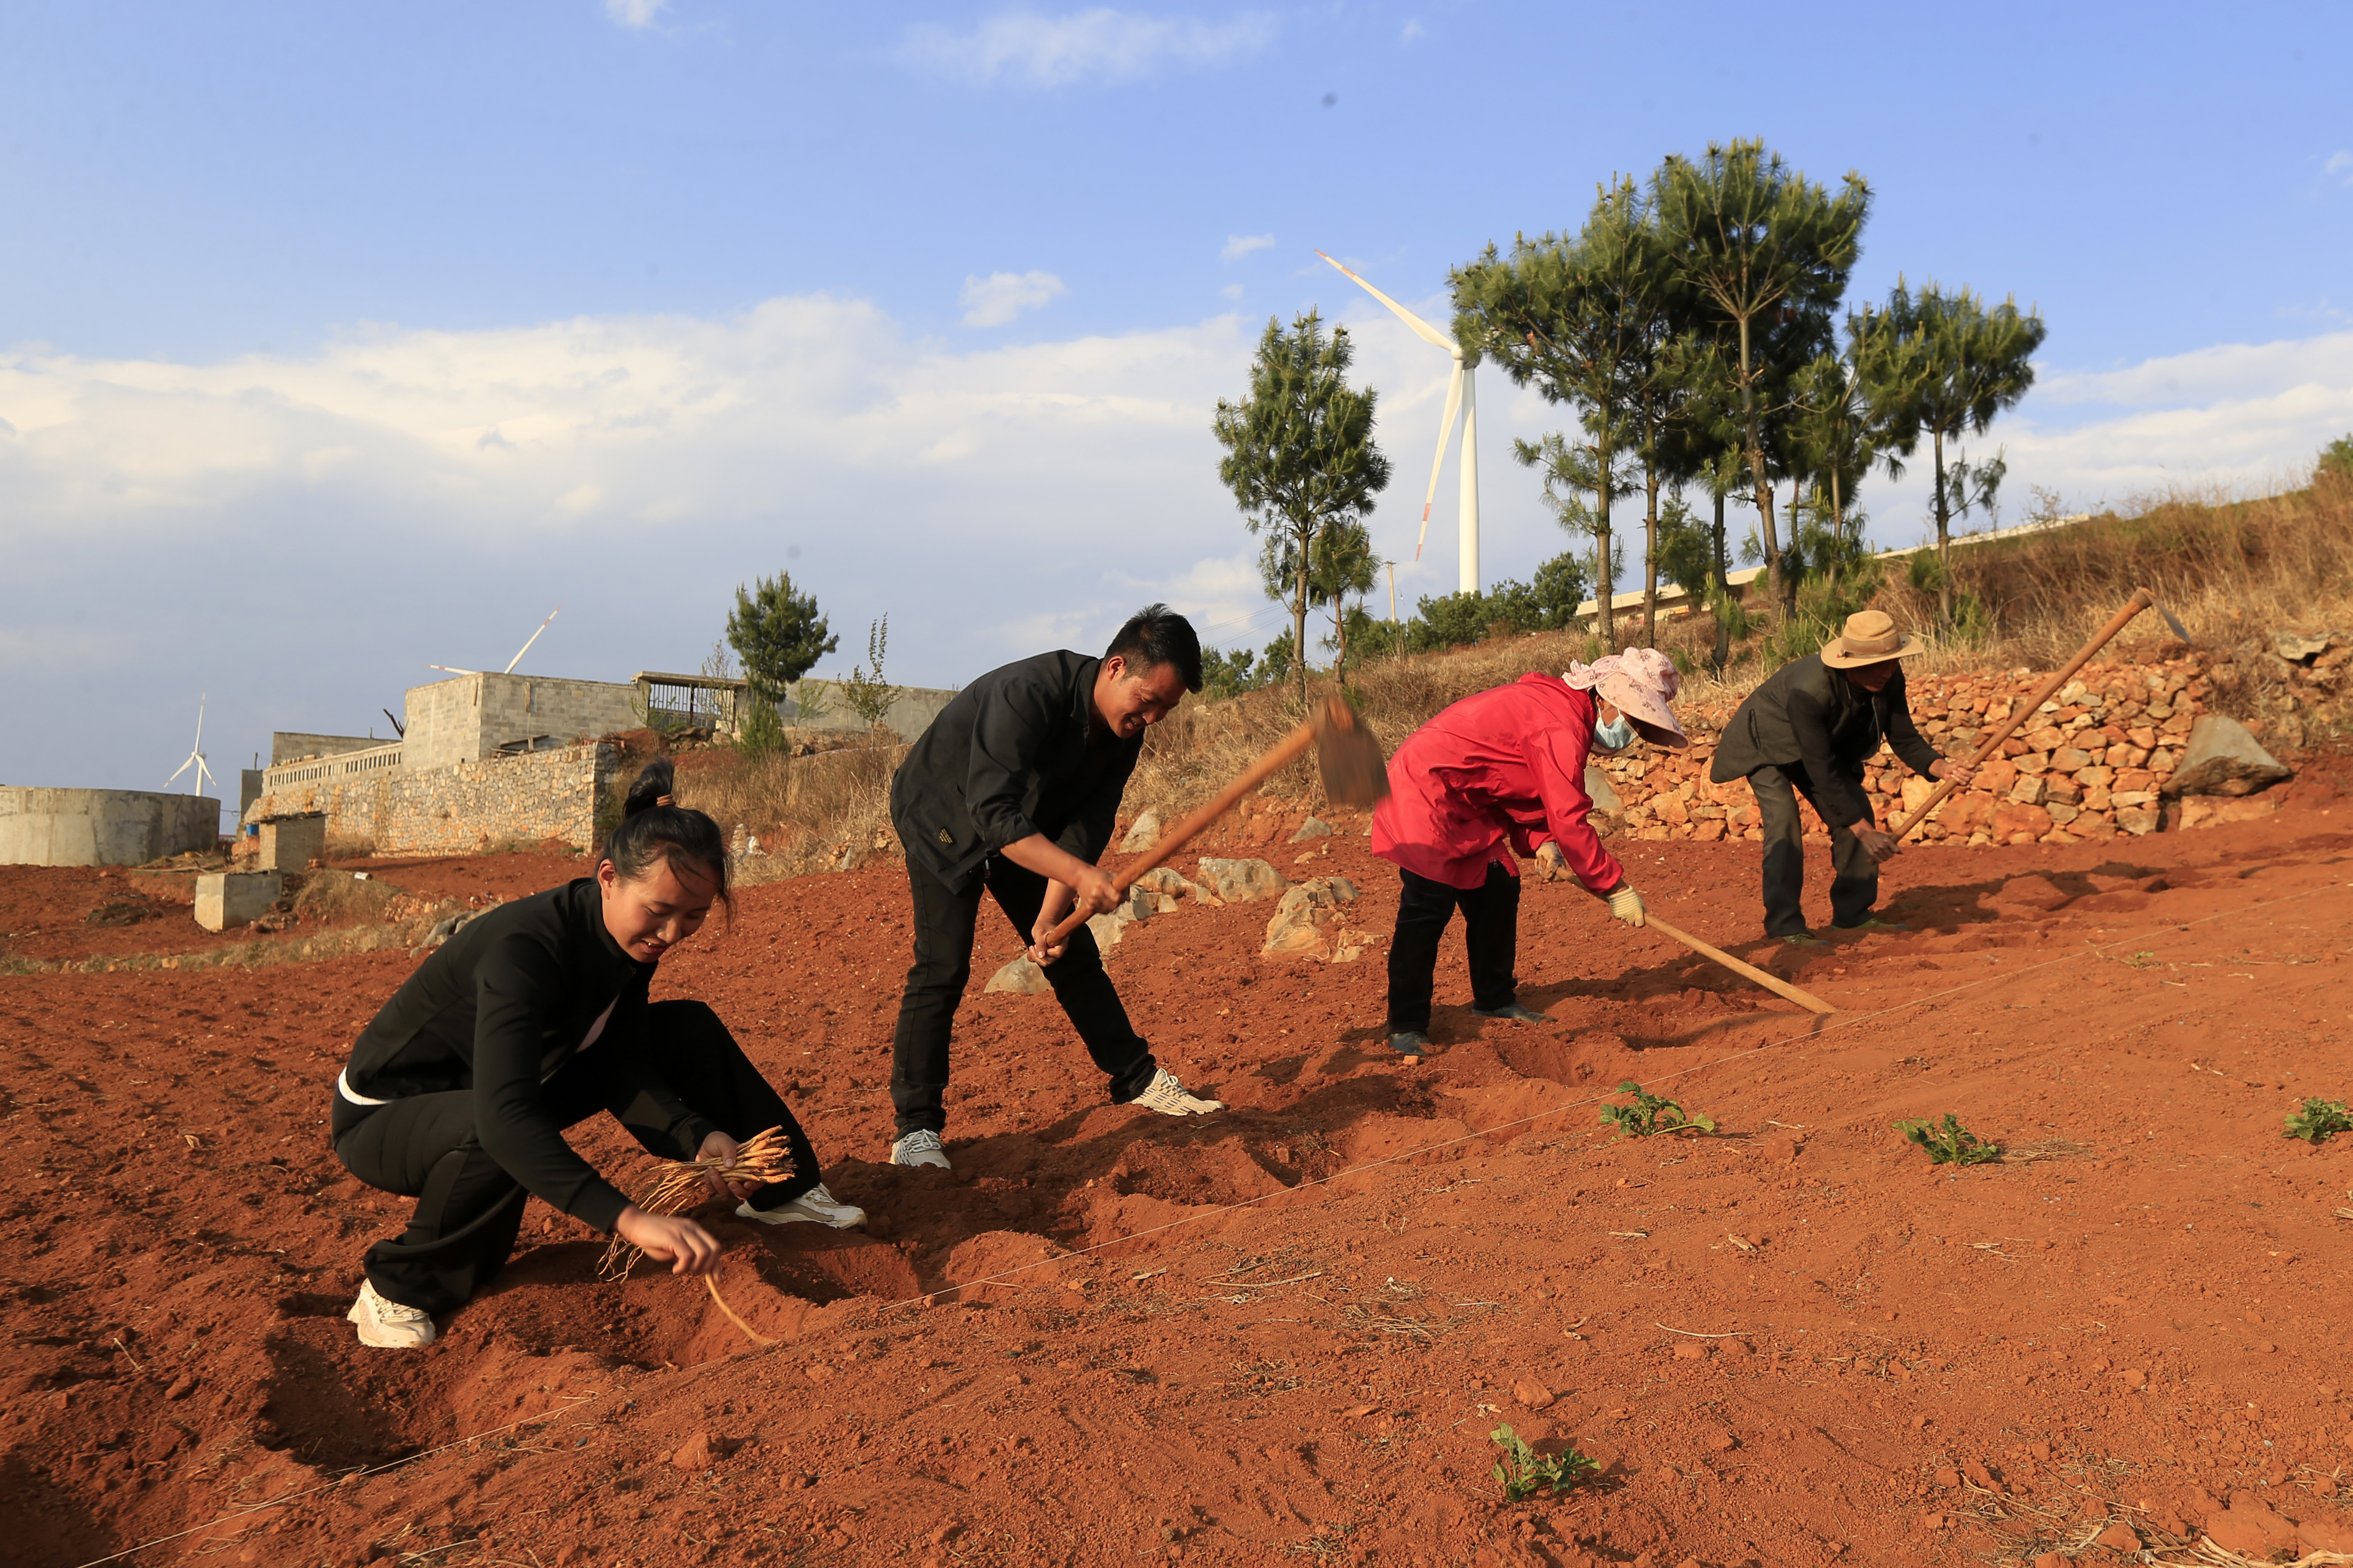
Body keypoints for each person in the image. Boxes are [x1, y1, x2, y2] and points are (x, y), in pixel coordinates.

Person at [330, 759, 860, 1350]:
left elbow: (619, 1063)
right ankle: (397, 1286)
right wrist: (629, 1219)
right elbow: (505, 1117)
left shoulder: (623, 945)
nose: (672, 932)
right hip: (387, 1116)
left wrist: (694, 1134)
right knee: (492, 1132)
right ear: (609, 876)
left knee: (686, 1027)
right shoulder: (524, 950)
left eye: (694, 915)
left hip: (513, 1088)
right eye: (659, 910)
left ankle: (779, 1192)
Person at [883, 604, 1222, 1170]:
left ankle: (1136, 1079)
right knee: (943, 965)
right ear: (1115, 668)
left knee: (1072, 951)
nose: (1155, 717)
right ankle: (915, 1129)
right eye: (1149, 700)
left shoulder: (1124, 731)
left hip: (1023, 823)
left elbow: (1087, 826)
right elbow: (991, 812)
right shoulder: (1027, 693)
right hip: (942, 812)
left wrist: (1049, 915)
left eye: (1167, 707)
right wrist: (1080, 877)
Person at [1370, 649, 1686, 1057]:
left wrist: (1540, 842)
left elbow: (1509, 779)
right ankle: (1407, 1024)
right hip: (1424, 790)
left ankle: (1495, 999)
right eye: (1634, 717)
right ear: (1607, 698)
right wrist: (1614, 886)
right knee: (1427, 905)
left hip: (1468, 802)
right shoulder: (1560, 721)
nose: (1632, 731)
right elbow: (1568, 814)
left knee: (1498, 886)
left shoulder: (1562, 710)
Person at [1708, 609, 1975, 945]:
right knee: (1784, 824)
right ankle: (1785, 928)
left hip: (1814, 746)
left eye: (1891, 661)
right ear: (1849, 662)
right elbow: (1821, 767)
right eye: (1875, 665)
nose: (1886, 671)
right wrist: (1864, 832)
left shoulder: (1889, 677)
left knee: (1857, 809)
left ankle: (1853, 915)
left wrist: (1943, 767)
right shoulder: (1810, 690)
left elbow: (1904, 736)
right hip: (1765, 742)